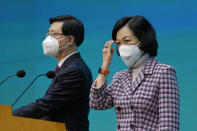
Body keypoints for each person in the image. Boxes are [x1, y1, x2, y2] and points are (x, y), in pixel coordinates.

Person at [89, 16, 179, 131]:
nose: (122, 47)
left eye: (127, 41)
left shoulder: (164, 73)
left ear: (144, 39)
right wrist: (105, 66)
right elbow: (97, 103)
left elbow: (169, 124)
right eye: (118, 43)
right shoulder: (120, 77)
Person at [13, 15, 93, 131]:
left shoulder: (75, 71)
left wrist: (7, 115)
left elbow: (45, 105)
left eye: (53, 34)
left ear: (69, 40)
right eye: (48, 34)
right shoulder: (68, 67)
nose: (48, 39)